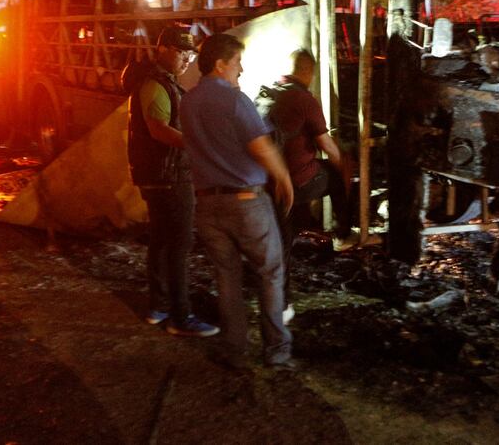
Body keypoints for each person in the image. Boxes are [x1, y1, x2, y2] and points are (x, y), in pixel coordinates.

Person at [180, 34, 295, 370]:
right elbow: (260, 146)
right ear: (220, 64)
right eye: (237, 62)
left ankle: (234, 346)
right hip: (245, 203)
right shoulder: (235, 100)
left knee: (226, 276)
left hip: (206, 205)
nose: (241, 69)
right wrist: (284, 177)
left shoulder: (188, 101)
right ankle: (276, 350)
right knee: (271, 272)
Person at [123, 27, 218, 337]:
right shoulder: (154, 84)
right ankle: (180, 316)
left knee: (162, 243)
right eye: (180, 52)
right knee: (178, 246)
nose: (186, 59)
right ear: (162, 49)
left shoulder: (163, 83)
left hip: (162, 176)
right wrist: (198, 144)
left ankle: (158, 307)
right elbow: (158, 130)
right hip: (168, 177)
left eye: (190, 54)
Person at [264, 49, 352, 322]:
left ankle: (282, 303)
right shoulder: (304, 99)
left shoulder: (269, 93)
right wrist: (345, 165)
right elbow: (327, 145)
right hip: (297, 181)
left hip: (268, 183)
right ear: (308, 72)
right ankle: (343, 233)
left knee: (283, 242)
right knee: (336, 175)